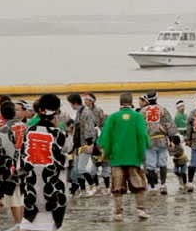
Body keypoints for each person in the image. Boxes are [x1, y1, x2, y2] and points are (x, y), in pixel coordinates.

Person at [19, 94, 73, 230]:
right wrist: (63, 129)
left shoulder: (29, 131)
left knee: (30, 221)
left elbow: (21, 156)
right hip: (53, 184)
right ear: (56, 111)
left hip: (32, 184)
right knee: (50, 221)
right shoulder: (58, 133)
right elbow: (68, 147)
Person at [98, 92, 150, 221]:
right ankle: (141, 210)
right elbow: (142, 135)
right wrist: (141, 153)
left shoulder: (113, 117)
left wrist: (107, 154)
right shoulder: (137, 116)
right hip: (134, 157)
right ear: (131, 103)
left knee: (117, 187)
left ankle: (118, 213)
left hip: (117, 157)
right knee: (138, 185)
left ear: (120, 103)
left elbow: (106, 138)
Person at [139, 91, 177, 195]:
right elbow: (170, 125)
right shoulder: (163, 110)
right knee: (162, 163)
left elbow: (139, 128)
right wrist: (172, 140)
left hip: (149, 141)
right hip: (162, 141)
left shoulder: (142, 111)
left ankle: (153, 186)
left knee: (150, 165)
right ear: (157, 98)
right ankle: (163, 184)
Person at [0, 101, 26, 231]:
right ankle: (23, 222)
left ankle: (19, 223)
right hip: (26, 163)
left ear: (2, 115)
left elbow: (6, 152)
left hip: (13, 166)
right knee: (24, 196)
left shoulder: (4, 130)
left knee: (14, 197)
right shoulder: (25, 126)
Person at [66, 93, 97, 197]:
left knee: (81, 168)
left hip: (85, 144)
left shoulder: (85, 113)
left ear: (74, 103)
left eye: (71, 104)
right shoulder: (79, 113)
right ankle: (83, 190)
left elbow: (89, 129)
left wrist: (90, 144)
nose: (71, 106)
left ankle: (93, 185)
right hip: (78, 144)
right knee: (77, 170)